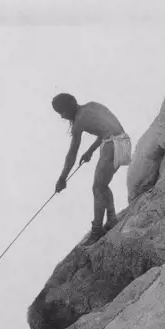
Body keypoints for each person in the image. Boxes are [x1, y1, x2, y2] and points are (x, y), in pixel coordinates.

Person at [52, 93, 131, 245]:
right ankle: (112, 218)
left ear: (70, 105)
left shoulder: (78, 122)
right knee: (102, 185)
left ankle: (97, 230)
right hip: (124, 142)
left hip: (112, 144)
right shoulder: (92, 105)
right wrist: (90, 151)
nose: (62, 116)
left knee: (97, 187)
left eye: (62, 111)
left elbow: (72, 152)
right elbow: (108, 128)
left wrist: (62, 177)